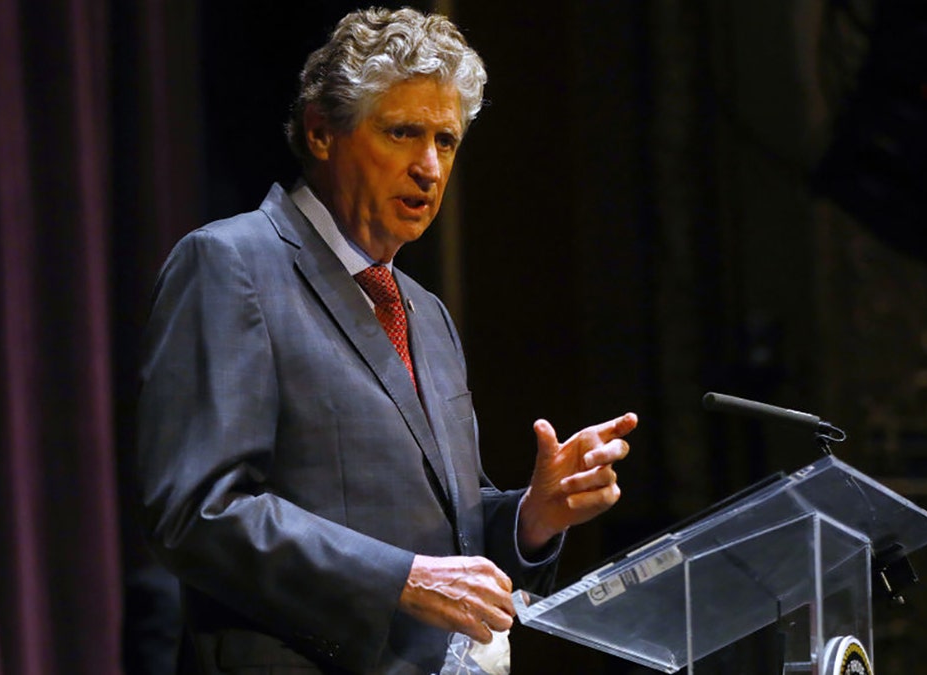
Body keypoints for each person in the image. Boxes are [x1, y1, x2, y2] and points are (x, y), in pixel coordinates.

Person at [136, 7, 637, 674]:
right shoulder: (232, 265)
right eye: (403, 133)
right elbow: (199, 511)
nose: (430, 167)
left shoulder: (426, 313)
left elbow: (445, 533)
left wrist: (530, 517)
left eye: (447, 140)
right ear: (321, 133)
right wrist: (399, 578)